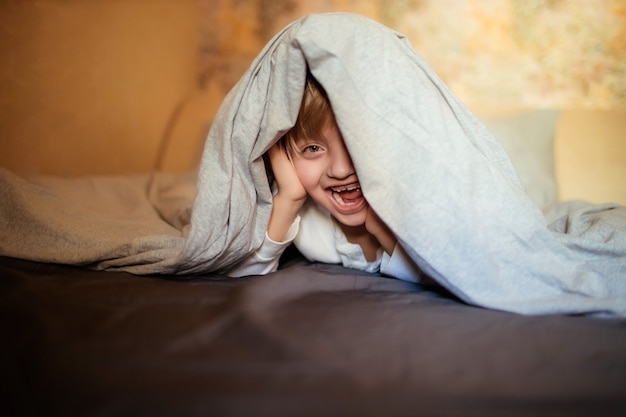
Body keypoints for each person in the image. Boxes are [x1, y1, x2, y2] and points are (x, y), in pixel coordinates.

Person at [227, 72, 425, 282]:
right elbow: (242, 275)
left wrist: (381, 227)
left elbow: (447, 274)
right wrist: (290, 197)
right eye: (313, 148)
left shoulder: (413, 198)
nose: (340, 170)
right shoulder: (301, 211)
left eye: (354, 143)